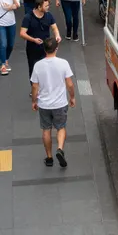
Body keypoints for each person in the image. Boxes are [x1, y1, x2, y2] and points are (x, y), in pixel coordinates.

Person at [30, 37, 75, 168]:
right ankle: (60, 149)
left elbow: (34, 86)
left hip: (44, 104)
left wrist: (34, 101)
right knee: (61, 127)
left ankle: (49, 158)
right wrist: (72, 97)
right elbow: (70, 84)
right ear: (56, 48)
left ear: (44, 49)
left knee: (46, 130)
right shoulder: (63, 63)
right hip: (60, 103)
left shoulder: (38, 65)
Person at [20, 0, 60, 86]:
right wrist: (33, 40)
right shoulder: (28, 17)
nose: (48, 7)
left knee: (47, 68)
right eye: (46, 6)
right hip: (32, 48)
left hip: (46, 47)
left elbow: (54, 28)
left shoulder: (49, 15)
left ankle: (44, 87)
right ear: (39, 7)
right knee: (33, 68)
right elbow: (22, 33)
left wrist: (57, 35)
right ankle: (34, 88)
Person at [0, 0, 20, 75]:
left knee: (11, 44)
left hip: (11, 22)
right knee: (3, 44)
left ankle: (5, 59)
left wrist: (12, 1)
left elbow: (18, 5)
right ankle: (3, 65)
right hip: (1, 24)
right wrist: (11, 7)